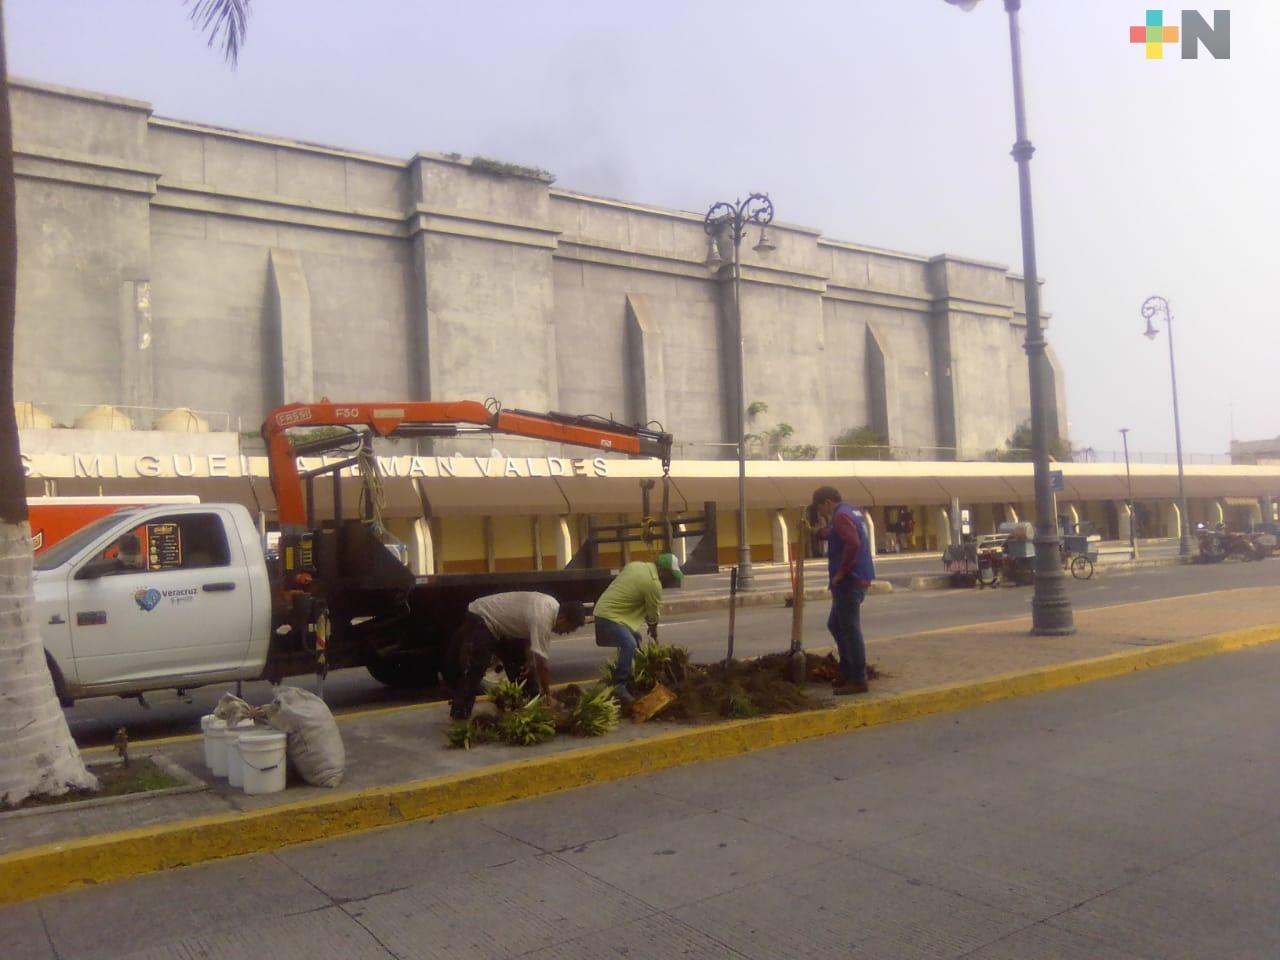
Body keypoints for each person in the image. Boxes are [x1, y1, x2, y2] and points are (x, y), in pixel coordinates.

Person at [447, 592, 587, 720]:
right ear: (562, 618)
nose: (565, 633)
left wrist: (530, 661)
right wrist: (547, 694)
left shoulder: (551, 607)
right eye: (568, 629)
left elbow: (528, 635)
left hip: (503, 627)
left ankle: (531, 703)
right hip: (482, 616)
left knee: (521, 666)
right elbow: (542, 666)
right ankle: (460, 715)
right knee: (475, 667)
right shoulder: (544, 618)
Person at [592, 553, 684, 705]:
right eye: (670, 575)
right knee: (629, 644)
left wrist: (650, 623)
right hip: (610, 617)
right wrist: (653, 628)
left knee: (636, 638)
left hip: (606, 612)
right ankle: (619, 685)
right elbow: (652, 612)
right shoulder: (653, 584)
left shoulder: (635, 565)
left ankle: (632, 678)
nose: (671, 579)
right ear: (662, 571)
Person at [812, 486, 876, 695]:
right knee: (836, 625)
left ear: (827, 502)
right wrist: (818, 533)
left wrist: (841, 573)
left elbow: (852, 542)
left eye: (819, 508)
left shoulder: (840, 516)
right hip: (857, 578)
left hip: (850, 581)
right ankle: (847, 671)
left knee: (849, 629)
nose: (820, 512)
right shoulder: (850, 511)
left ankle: (858, 678)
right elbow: (838, 534)